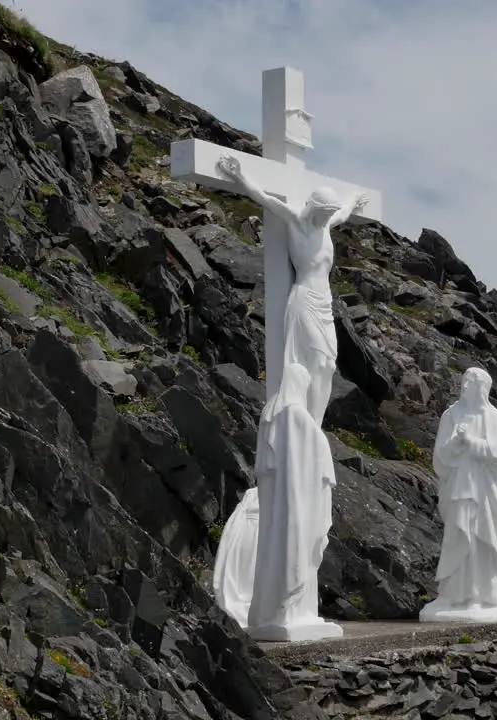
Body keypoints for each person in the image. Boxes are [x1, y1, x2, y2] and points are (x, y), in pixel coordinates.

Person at [216, 155, 367, 428]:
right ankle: (304, 420)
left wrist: (354, 201)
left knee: (327, 366)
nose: (328, 218)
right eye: (324, 213)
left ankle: (314, 426)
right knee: (312, 361)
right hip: (304, 300)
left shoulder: (326, 226)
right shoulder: (296, 220)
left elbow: (343, 213)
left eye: (329, 215)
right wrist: (239, 176)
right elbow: (263, 197)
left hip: (324, 302)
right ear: (313, 207)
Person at [245, 363, 342, 641]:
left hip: (276, 501)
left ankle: (271, 611)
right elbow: (318, 453)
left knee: (275, 550)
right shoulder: (296, 415)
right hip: (298, 499)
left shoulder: (271, 415)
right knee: (297, 548)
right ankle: (291, 610)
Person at [420, 367, 497, 623]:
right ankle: (451, 595)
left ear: (483, 388)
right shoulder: (451, 415)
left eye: (472, 383)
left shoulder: (494, 418)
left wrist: (471, 442)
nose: (465, 387)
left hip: (485, 491)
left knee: (479, 539)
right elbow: (441, 456)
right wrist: (456, 442)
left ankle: (479, 596)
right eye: (464, 381)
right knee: (456, 535)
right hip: (460, 488)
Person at [212, 487, 259, 628]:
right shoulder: (252, 493)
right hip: (247, 534)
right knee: (244, 572)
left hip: (265, 535)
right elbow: (237, 517)